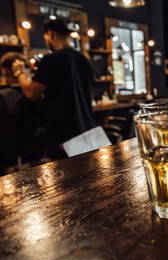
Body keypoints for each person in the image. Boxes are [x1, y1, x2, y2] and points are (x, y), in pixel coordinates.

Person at [12, 19, 96, 159]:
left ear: (50, 34)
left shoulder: (51, 60)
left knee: (66, 178)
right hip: (87, 129)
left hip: (63, 135)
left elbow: (32, 93)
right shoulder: (84, 59)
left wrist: (19, 73)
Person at [0, 52, 43, 173]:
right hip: (40, 153)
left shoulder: (3, 97)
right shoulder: (39, 94)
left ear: (6, 73)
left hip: (11, 160)